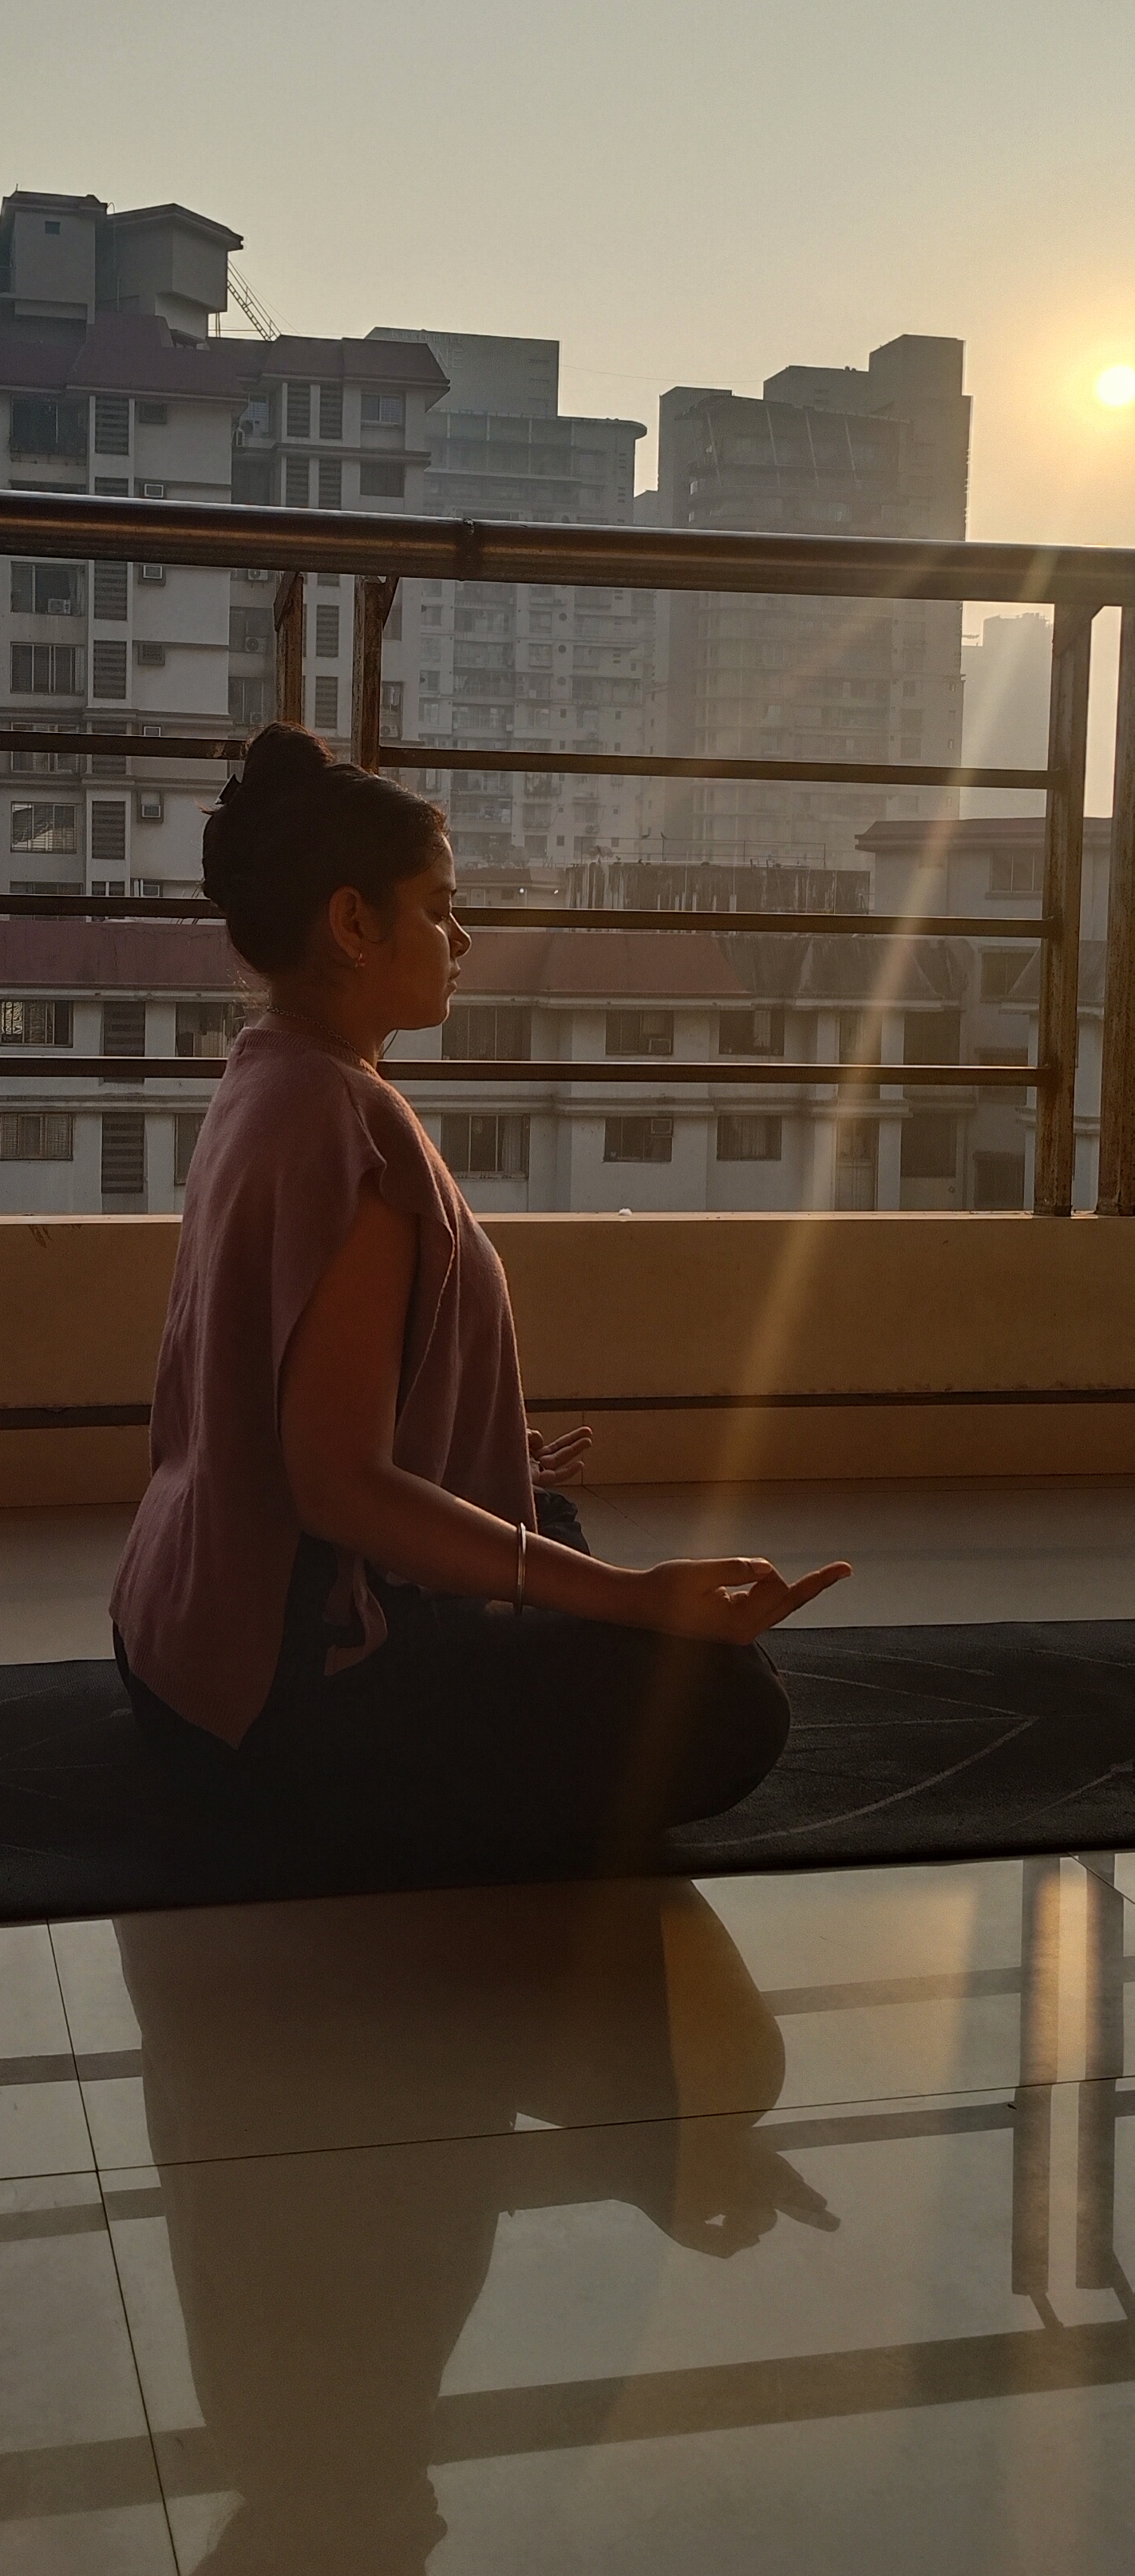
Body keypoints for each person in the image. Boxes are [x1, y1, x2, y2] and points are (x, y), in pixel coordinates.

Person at [109, 724, 849, 1892]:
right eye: (441, 908)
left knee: (541, 1517)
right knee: (725, 1703)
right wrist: (633, 1596)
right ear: (354, 925)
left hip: (174, 1641)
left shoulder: (268, 1076)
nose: (464, 938)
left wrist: (472, 1450)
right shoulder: (355, 1137)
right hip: (279, 1707)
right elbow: (337, 1485)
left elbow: (281, 1395)